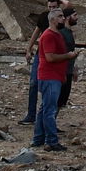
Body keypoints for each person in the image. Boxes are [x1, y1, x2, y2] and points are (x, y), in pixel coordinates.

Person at [33, 9, 80, 151]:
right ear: (52, 19)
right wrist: (68, 56)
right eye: (60, 16)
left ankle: (38, 139)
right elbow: (50, 57)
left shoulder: (57, 34)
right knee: (49, 110)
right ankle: (51, 141)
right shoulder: (48, 35)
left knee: (45, 108)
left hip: (55, 76)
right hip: (49, 76)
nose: (62, 18)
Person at [20, 0, 63, 125]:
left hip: (56, 56)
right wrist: (28, 49)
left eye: (54, 7)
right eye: (49, 7)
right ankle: (31, 115)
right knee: (34, 83)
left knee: (53, 87)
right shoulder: (44, 17)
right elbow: (36, 32)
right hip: (42, 54)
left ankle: (49, 118)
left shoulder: (61, 19)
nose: (51, 9)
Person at [57, 8, 79, 109]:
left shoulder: (71, 33)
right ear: (68, 17)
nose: (77, 18)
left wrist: (74, 69)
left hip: (68, 71)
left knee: (62, 101)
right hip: (62, 72)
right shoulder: (61, 33)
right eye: (75, 15)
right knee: (57, 101)